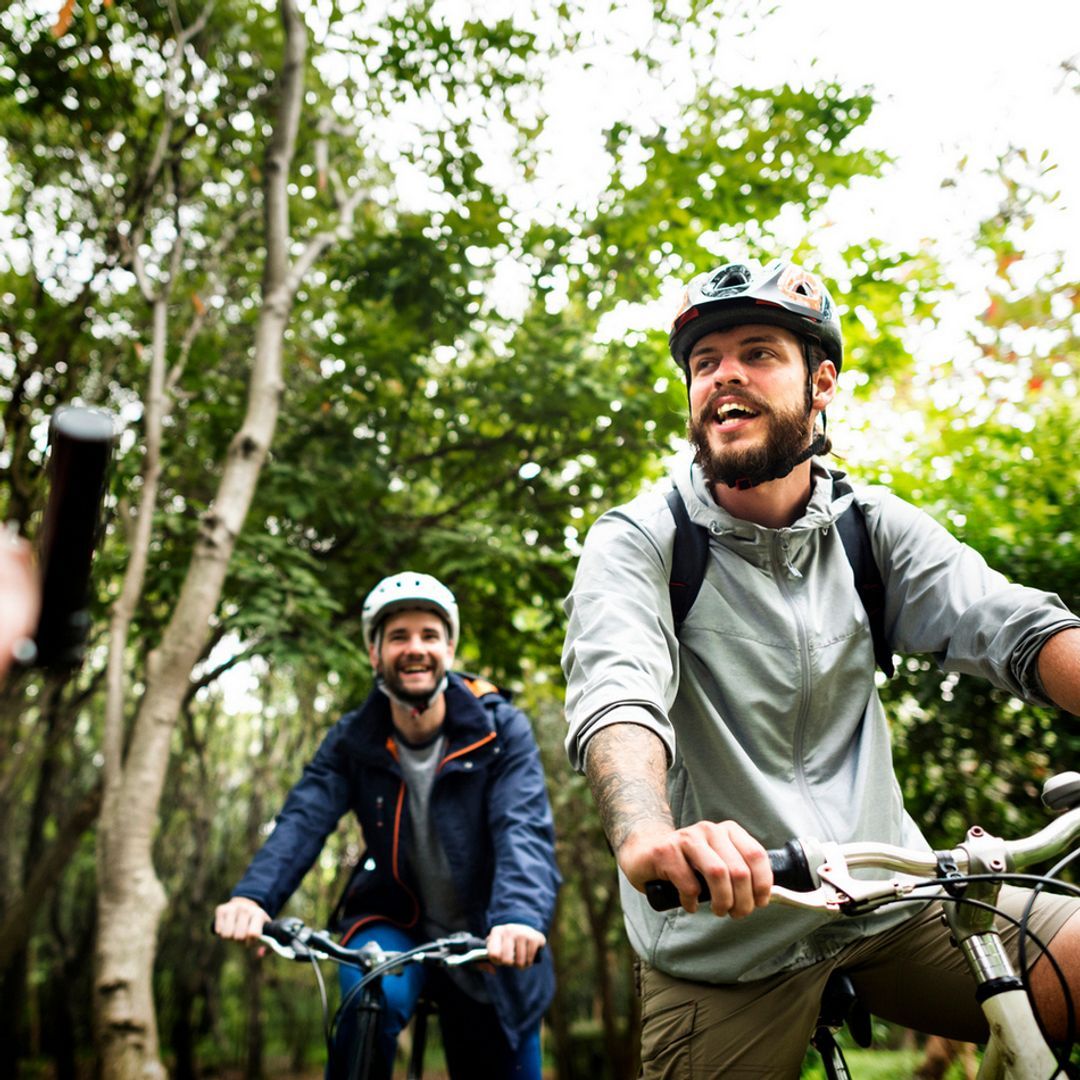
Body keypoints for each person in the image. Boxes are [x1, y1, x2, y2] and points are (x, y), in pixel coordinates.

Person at [561, 257, 1080, 1076]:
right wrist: (649, 836)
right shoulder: (642, 540)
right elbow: (617, 691)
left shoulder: (870, 529)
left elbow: (1014, 625)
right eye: (705, 363)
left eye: (759, 353)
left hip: (893, 904)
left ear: (822, 382)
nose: (724, 374)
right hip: (727, 931)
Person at [215, 571, 560, 1079]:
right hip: (395, 917)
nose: (414, 648)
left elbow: (522, 827)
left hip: (493, 929)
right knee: (368, 990)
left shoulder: (499, 728)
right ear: (375, 653)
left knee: (503, 1056)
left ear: (449, 648)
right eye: (398, 636)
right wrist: (253, 898)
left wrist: (518, 917)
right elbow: (303, 818)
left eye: (428, 635)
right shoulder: (354, 737)